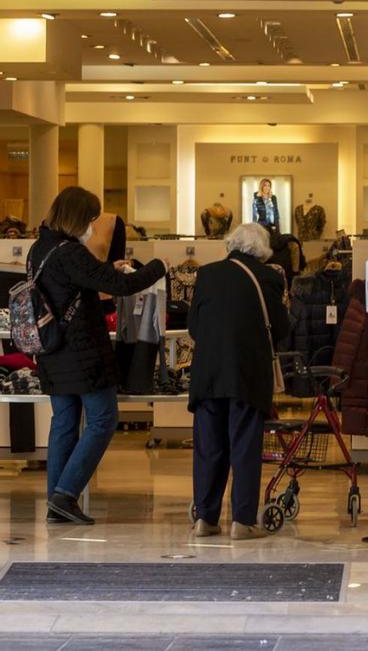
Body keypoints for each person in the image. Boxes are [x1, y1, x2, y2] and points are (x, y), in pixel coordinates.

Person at [32, 187, 166, 525]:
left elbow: (90, 280)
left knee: (63, 423)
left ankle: (56, 501)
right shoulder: (70, 252)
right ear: (79, 217)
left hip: (51, 350)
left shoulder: (40, 248)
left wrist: (109, 269)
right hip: (82, 353)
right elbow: (120, 287)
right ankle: (65, 494)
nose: (93, 225)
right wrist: (158, 266)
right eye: (91, 218)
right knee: (103, 420)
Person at [187, 223, 289, 540]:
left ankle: (205, 518)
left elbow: (193, 326)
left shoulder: (207, 274)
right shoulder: (269, 277)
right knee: (244, 446)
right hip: (247, 373)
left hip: (208, 373)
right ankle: (242, 522)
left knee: (208, 447)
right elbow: (282, 328)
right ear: (262, 249)